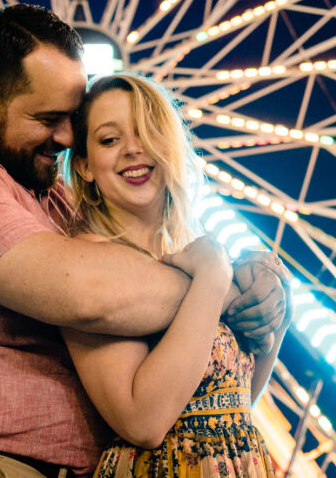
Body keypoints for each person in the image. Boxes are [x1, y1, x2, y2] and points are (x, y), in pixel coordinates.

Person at [0, 4, 290, 477]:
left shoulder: (55, 196)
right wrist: (223, 283)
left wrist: (268, 293)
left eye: (73, 118)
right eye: (49, 117)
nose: (67, 136)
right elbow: (88, 294)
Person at [61, 73, 289, 477]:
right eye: (109, 140)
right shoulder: (86, 261)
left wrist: (279, 312)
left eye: (147, 131)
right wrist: (215, 272)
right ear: (84, 166)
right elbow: (144, 422)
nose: (133, 149)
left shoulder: (191, 253)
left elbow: (234, 400)